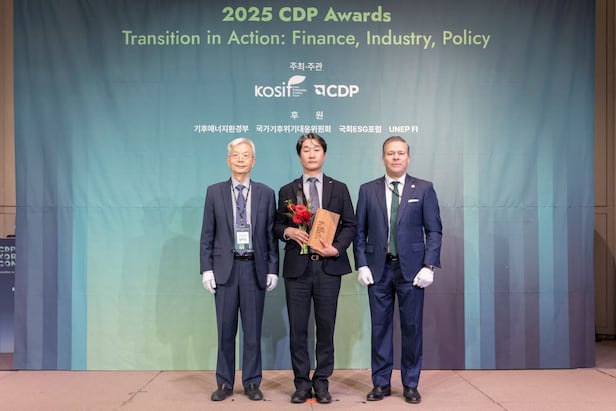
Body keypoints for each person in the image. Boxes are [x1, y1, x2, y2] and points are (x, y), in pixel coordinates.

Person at [353, 135, 442, 404]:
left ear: (408, 157)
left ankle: (410, 384)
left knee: (412, 327)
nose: (395, 157)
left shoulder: (423, 188)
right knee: (380, 328)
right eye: (390, 153)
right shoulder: (367, 190)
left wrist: (429, 265)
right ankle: (381, 383)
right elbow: (359, 232)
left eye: (400, 153)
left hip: (412, 272)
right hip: (378, 269)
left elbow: (434, 230)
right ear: (383, 158)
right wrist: (362, 264)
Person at [274, 133, 357, 404]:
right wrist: (287, 231)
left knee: (326, 327)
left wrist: (337, 248)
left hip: (328, 268)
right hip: (297, 269)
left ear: (324, 154)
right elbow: (275, 225)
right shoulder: (287, 190)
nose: (311, 154)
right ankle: (301, 383)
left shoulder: (339, 188)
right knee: (298, 328)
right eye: (306, 150)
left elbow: (350, 225)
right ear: (300, 155)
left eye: (316, 149)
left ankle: (322, 382)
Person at [199, 137, 279, 402]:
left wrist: (272, 269)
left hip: (254, 269)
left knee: (252, 331)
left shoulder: (266, 193)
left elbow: (270, 236)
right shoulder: (214, 192)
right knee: (225, 330)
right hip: (225, 270)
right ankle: (224, 383)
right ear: (228, 160)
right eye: (236, 155)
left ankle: (252, 382)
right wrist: (206, 269)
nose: (241, 159)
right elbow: (207, 234)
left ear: (253, 161)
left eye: (246, 155)